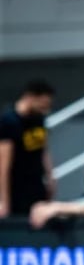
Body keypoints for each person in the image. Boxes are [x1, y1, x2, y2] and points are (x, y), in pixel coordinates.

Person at [0, 80, 55, 218]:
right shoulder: (9, 122)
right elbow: (3, 164)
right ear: (30, 97)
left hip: (36, 184)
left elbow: (44, 150)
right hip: (17, 187)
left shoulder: (39, 119)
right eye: (42, 105)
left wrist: (50, 177)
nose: (45, 109)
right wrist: (4, 201)